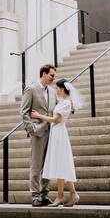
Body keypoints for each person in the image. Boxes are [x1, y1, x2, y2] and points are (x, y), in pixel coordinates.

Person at [32, 78, 83, 207]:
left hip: (59, 134)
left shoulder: (66, 103)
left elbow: (56, 119)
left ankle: (62, 196)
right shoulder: (63, 101)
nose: (56, 90)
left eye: (57, 88)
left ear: (62, 89)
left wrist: (39, 116)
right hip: (57, 134)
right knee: (61, 163)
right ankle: (72, 194)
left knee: (61, 163)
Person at [21, 63, 56, 206]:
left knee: (48, 165)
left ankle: (44, 194)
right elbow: (24, 112)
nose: (53, 78)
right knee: (36, 166)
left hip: (52, 132)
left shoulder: (53, 91)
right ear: (43, 74)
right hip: (38, 132)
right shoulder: (31, 89)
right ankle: (35, 196)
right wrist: (32, 130)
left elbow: (55, 109)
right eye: (51, 75)